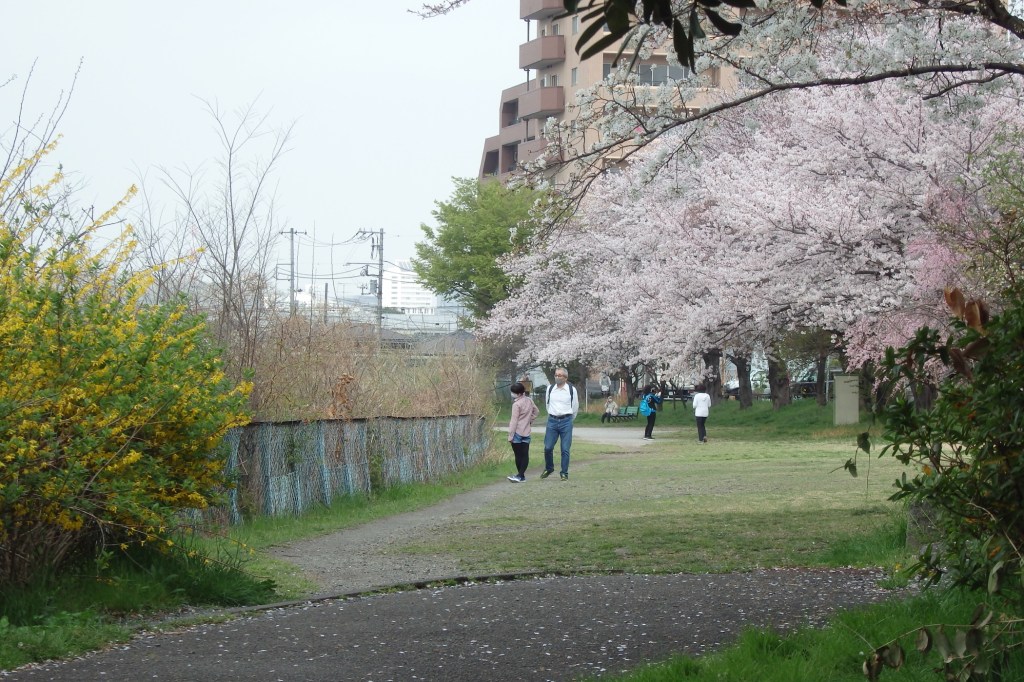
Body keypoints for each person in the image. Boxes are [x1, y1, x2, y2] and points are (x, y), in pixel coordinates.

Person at [542, 367, 579, 481]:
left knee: (565, 449)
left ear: (565, 378)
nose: (557, 377)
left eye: (560, 375)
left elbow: (575, 406)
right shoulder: (550, 389)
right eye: (556, 375)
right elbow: (547, 404)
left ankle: (564, 472)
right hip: (552, 420)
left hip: (566, 421)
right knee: (548, 447)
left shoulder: (571, 390)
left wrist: (569, 418)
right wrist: (553, 414)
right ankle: (549, 468)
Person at [507, 382, 539, 482]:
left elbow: (514, 421)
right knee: (525, 454)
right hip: (526, 431)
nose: (512, 394)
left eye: (513, 392)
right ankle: (521, 476)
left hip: (517, 432)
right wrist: (529, 421)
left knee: (518, 455)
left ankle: (520, 476)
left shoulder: (516, 404)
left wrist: (510, 435)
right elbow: (536, 411)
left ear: (518, 393)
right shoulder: (529, 400)